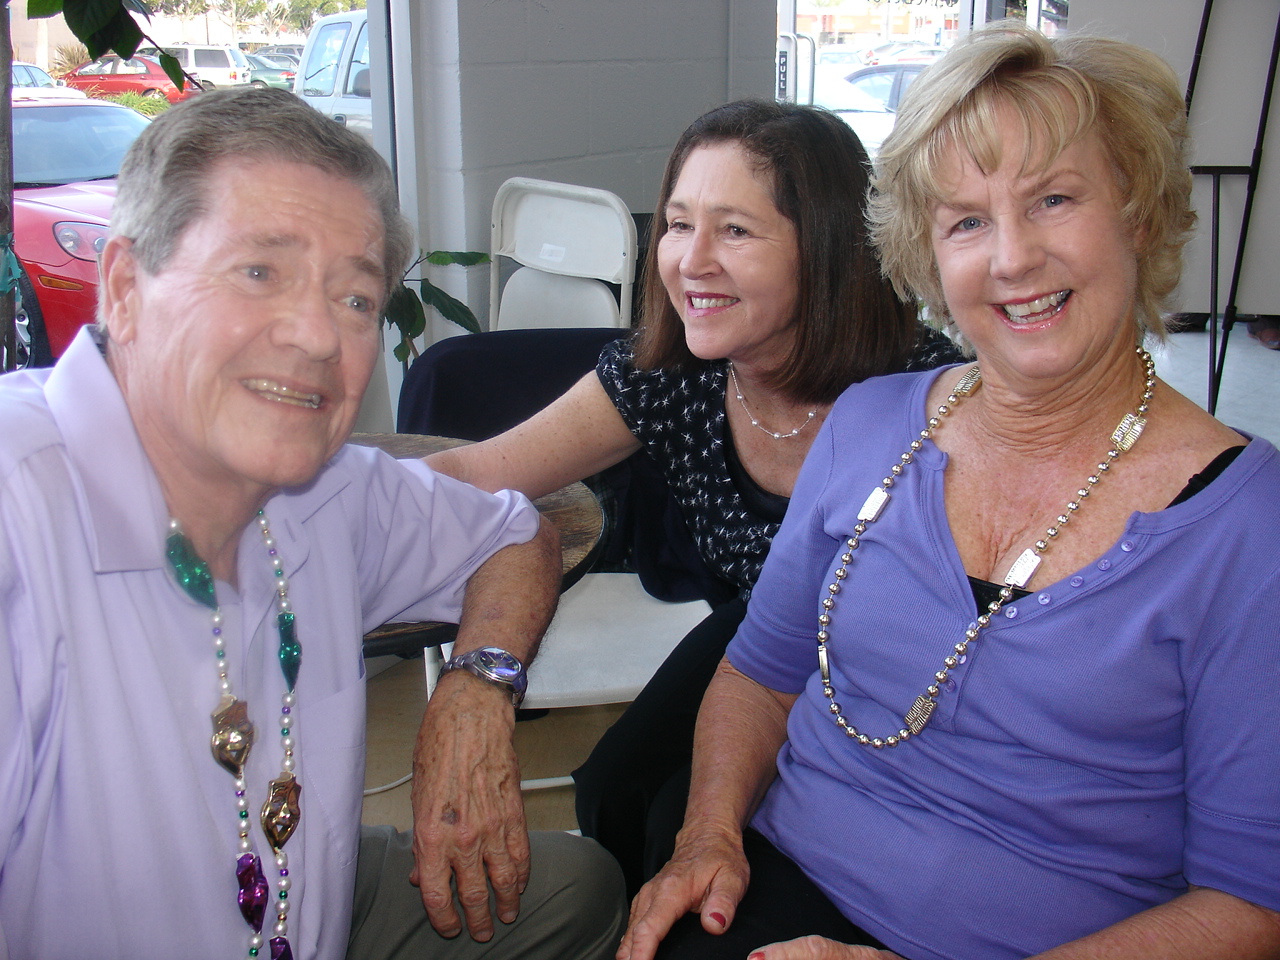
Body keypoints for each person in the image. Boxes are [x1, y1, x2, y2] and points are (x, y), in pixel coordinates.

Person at [619, 23, 1280, 960]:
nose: (1012, 258)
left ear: (1138, 213)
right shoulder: (869, 423)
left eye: (1053, 199)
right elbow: (759, 675)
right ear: (928, 257)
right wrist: (709, 838)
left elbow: (1252, 906)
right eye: (966, 220)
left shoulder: (1250, 527)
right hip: (777, 891)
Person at [0, 87, 624, 959]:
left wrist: (476, 691)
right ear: (124, 287)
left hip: (301, 899)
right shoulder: (20, 519)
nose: (319, 336)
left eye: (356, 298)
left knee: (581, 889)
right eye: (260, 271)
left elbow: (515, 535)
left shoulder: (324, 489)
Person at [425, 98, 963, 895]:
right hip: (769, 638)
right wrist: (289, 496)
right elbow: (482, 472)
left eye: (735, 230)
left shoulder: (927, 393)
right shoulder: (672, 374)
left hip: (909, 667)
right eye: (678, 225)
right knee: (617, 790)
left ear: (826, 251)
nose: (690, 260)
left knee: (696, 824)